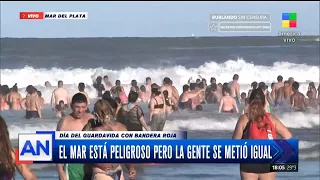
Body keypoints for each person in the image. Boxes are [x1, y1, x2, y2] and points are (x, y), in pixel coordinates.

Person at [232, 88, 292, 180]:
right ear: (264, 104)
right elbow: (288, 136)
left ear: (249, 102)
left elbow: (235, 142)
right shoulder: (271, 119)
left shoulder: (244, 119)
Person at [83, 100, 136, 180]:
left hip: (102, 172)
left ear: (96, 114)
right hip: (118, 171)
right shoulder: (122, 128)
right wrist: (131, 168)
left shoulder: (96, 130)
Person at [56, 93, 94, 180]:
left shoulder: (91, 119)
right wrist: (60, 171)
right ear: (71, 106)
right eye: (77, 107)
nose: (80, 110)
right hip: (72, 167)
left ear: (87, 106)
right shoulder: (64, 122)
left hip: (91, 166)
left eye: (83, 107)